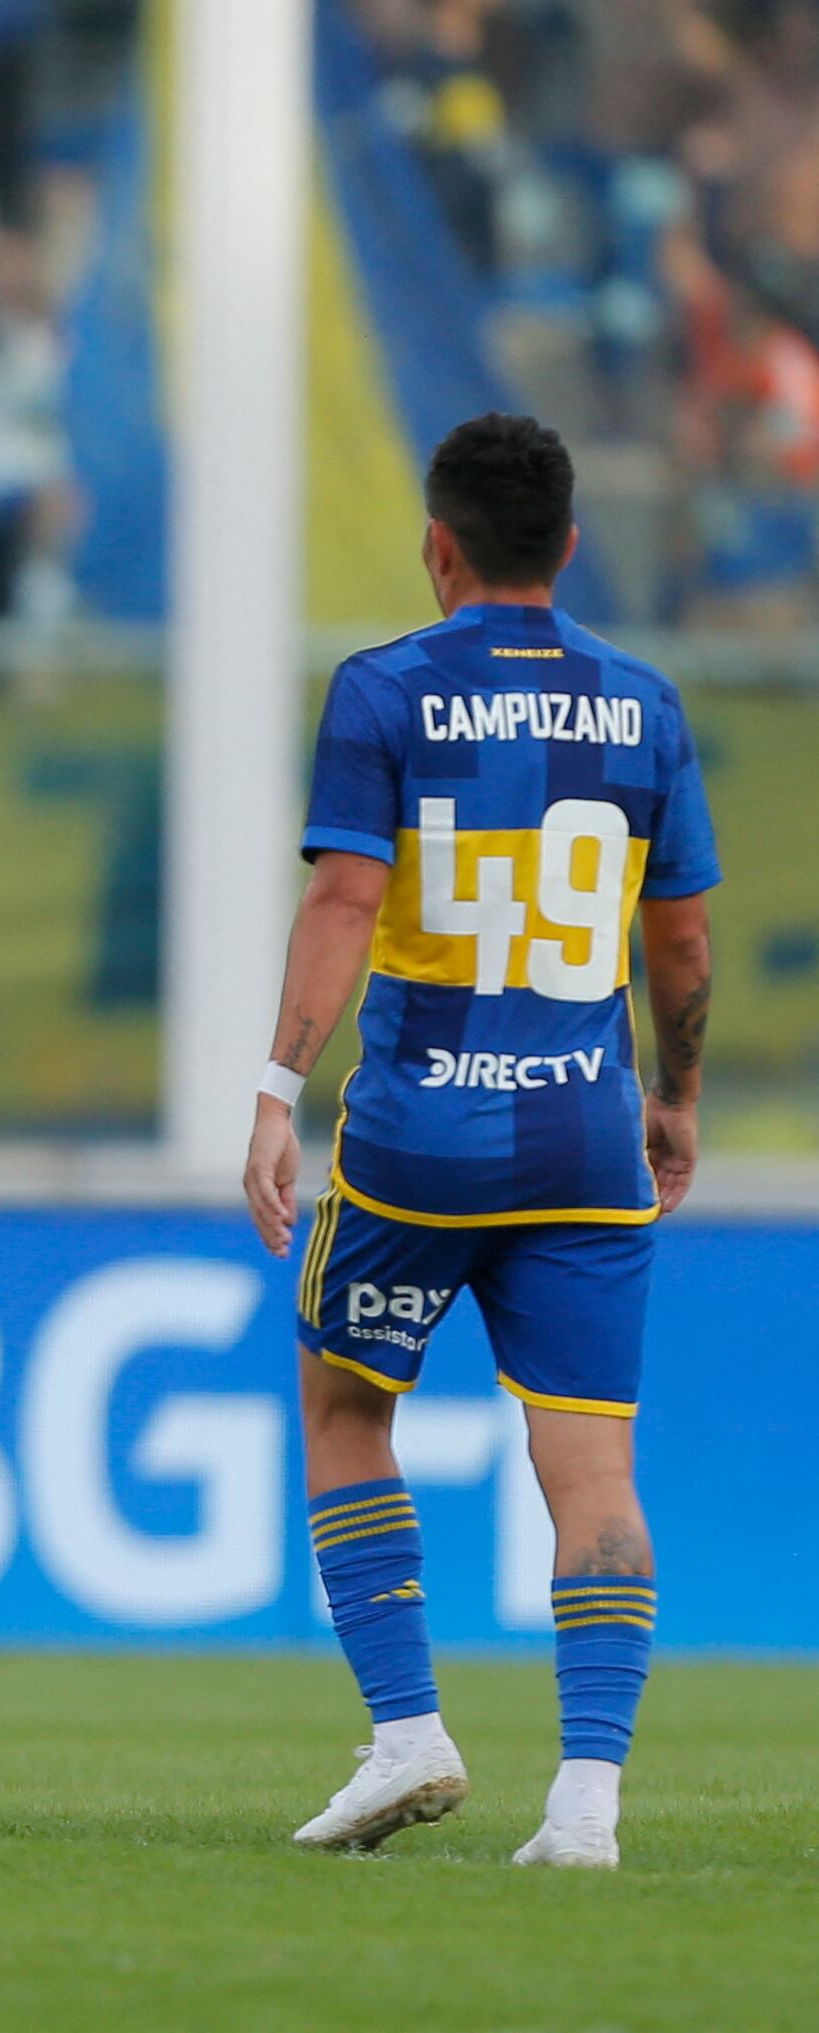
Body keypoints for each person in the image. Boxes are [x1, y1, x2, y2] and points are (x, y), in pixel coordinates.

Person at [244, 413, 719, 1869]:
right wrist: (673, 1094)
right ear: (567, 547)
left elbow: (340, 902)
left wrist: (276, 1085)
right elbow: (682, 941)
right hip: (583, 1133)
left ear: (436, 545)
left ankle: (406, 1732)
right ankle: (585, 1800)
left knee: (343, 1409)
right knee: (591, 1469)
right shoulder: (641, 703)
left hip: (419, 1134)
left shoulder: (384, 689)